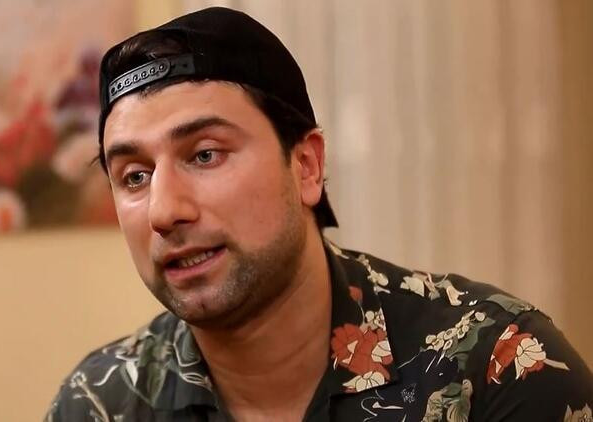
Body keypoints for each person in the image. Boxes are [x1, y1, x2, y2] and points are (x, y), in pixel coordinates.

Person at [45, 7, 592, 421]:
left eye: (205, 155)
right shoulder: (100, 404)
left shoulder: (497, 366)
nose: (164, 211)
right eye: (134, 176)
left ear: (306, 166)